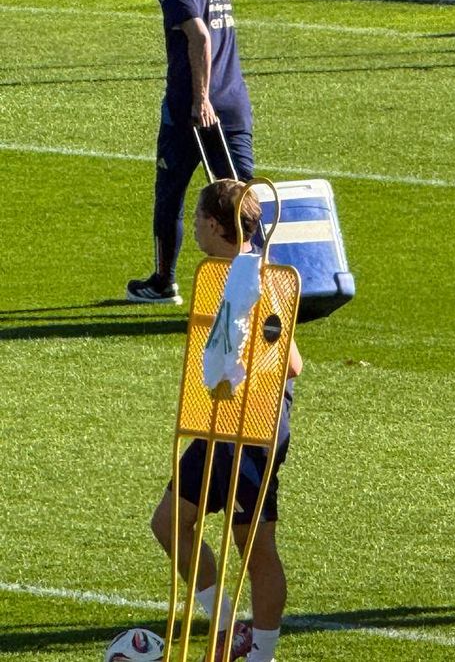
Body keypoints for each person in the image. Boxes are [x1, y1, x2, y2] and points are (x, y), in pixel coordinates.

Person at [150, 180, 300, 662]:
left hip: (251, 430)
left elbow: (291, 362)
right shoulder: (223, 274)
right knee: (170, 523)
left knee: (252, 547)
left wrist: (241, 373)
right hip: (219, 425)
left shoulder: (255, 278)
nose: (192, 225)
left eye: (197, 218)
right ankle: (229, 626)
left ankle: (262, 654)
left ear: (215, 225)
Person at [128, 0, 254, 304]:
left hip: (194, 112)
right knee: (243, 197)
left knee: (171, 196)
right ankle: (257, 284)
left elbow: (199, 38)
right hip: (232, 102)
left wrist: (200, 100)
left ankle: (163, 283)